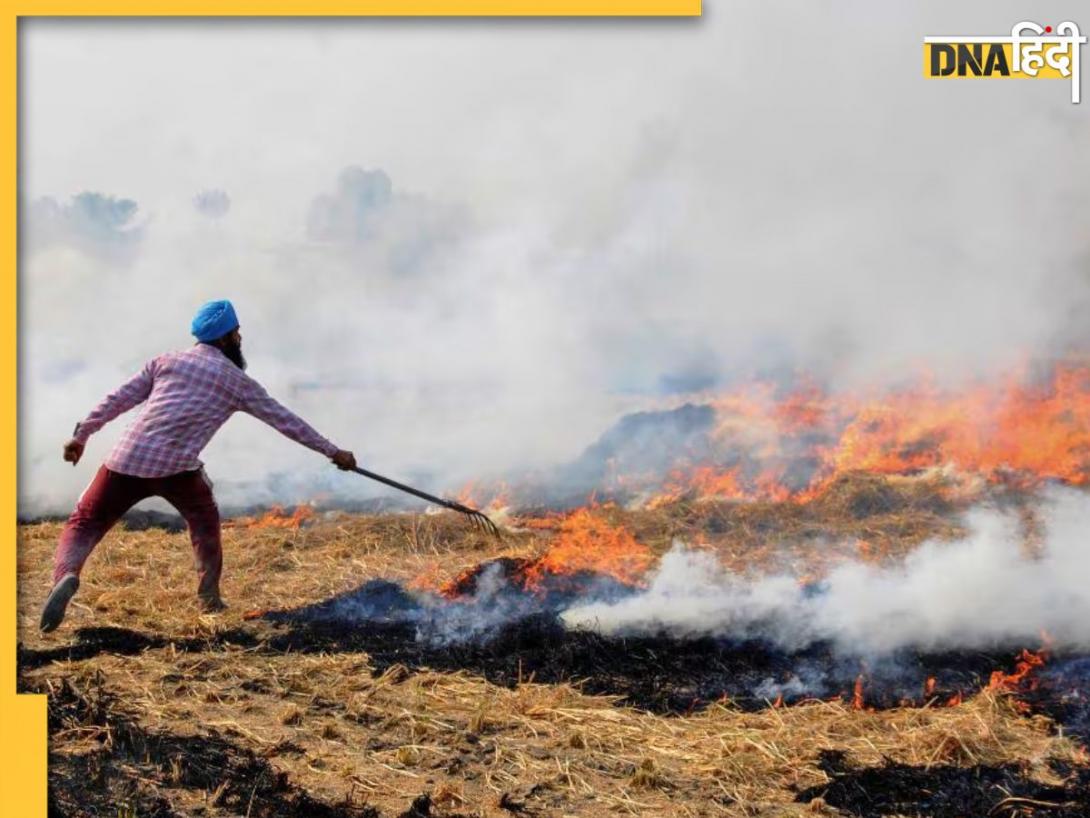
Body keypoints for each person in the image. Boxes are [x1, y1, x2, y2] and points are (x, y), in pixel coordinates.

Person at [39, 299, 356, 633]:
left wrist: (83, 435)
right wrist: (333, 452)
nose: (239, 340)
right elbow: (286, 422)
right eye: (236, 334)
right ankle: (209, 597)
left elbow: (117, 399)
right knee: (205, 521)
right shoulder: (238, 382)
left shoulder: (166, 362)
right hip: (177, 468)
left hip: (125, 460)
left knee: (84, 522)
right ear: (224, 339)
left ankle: (68, 575)